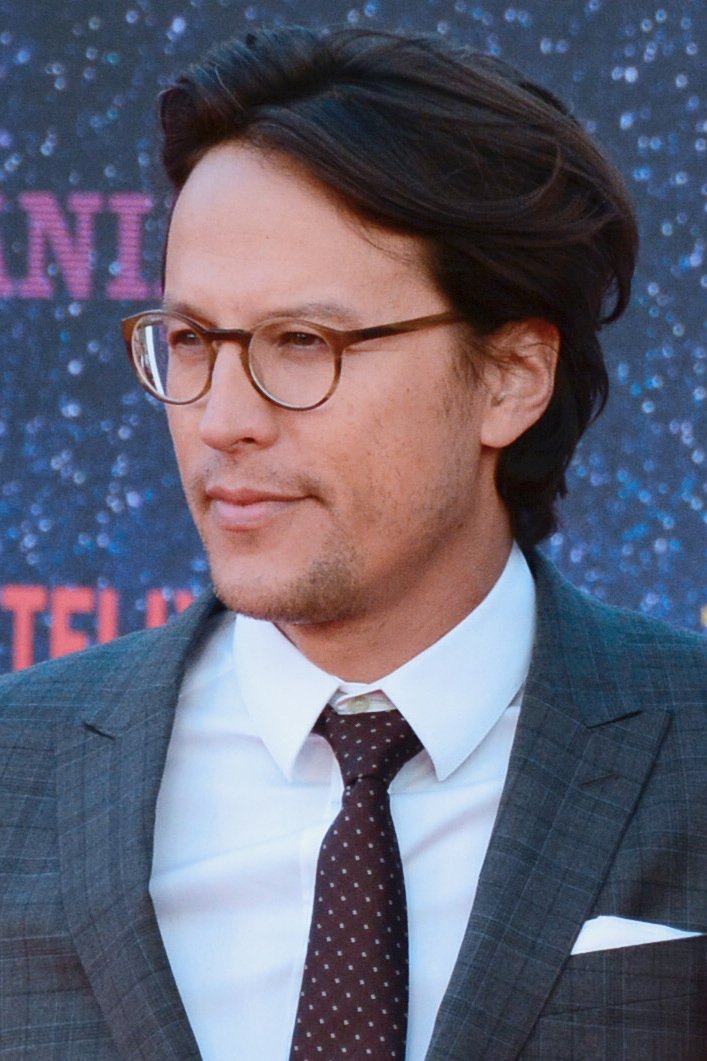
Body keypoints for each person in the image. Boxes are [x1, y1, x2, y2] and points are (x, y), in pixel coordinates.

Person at [1, 24, 705, 1061]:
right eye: (191, 340)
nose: (221, 418)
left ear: (511, 376)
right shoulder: (15, 766)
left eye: (302, 342)